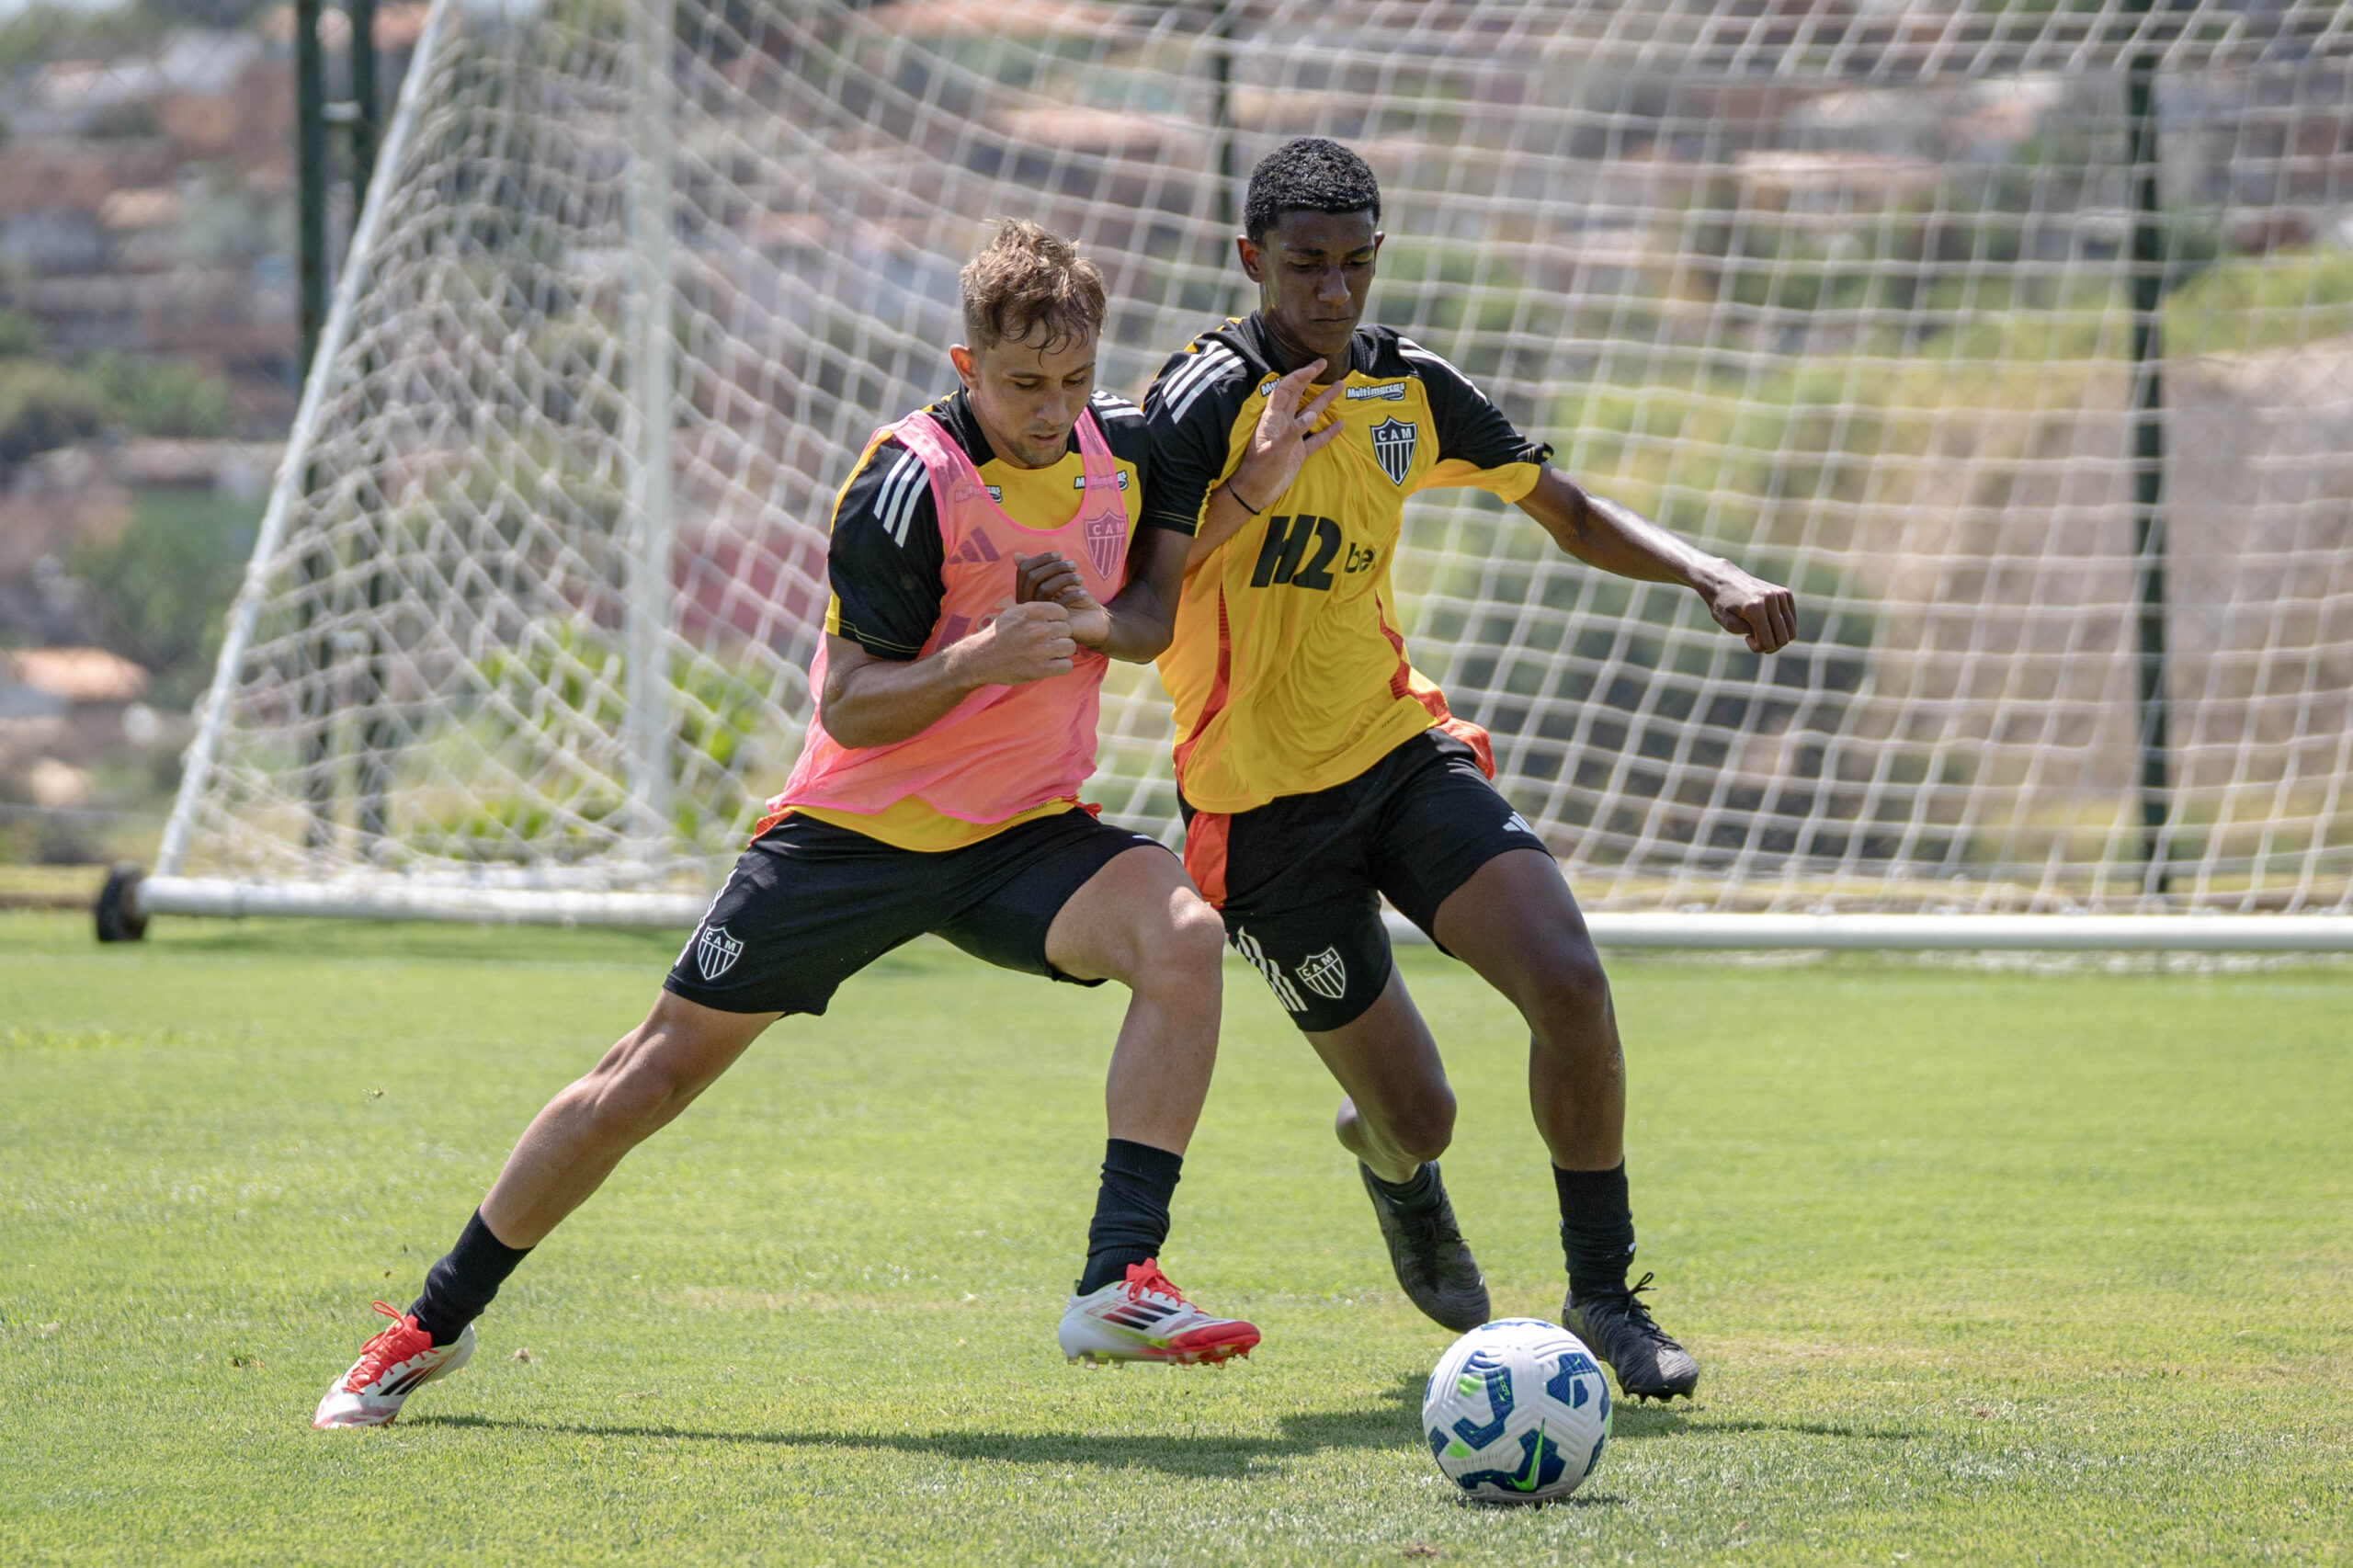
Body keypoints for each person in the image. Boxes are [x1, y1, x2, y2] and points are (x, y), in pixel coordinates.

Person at [313, 221, 1256, 1429]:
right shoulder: (907, 482)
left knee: (1180, 934)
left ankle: (1117, 1280)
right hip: (853, 837)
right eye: (1024, 384)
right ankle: (426, 1325)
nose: (1051, 406)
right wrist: (978, 657)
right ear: (967, 366)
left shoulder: (1115, 452)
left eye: (1073, 380)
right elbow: (852, 705)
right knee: (646, 1078)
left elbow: (1143, 596)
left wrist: (1244, 495)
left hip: (1026, 833)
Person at [1138, 139, 1799, 1402]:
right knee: (1420, 1116)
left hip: (1398, 750)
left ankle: (1604, 1295)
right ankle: (1391, 1166)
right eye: (1304, 267)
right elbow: (1143, 596)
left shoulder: (1412, 390)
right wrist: (1250, 485)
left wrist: (1704, 570)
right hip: (1260, 812)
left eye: (1353, 264)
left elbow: (1561, 505)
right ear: (1251, 263)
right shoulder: (1196, 403)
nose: (1332, 293)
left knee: (1567, 975)